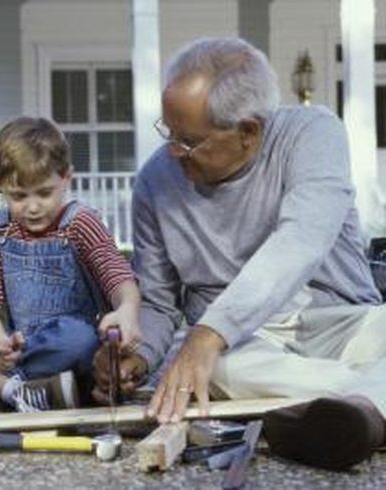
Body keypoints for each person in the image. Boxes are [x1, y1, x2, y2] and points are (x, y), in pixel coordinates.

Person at [94, 36, 386, 471]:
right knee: (214, 369)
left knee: (204, 357)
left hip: (341, 325)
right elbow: (157, 300)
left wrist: (209, 333)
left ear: (248, 131)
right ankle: (364, 406)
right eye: (168, 133)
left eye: (188, 141)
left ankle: (336, 406)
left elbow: (301, 240)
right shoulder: (155, 181)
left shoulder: (314, 133)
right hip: (247, 350)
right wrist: (138, 355)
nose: (173, 152)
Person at [0, 116, 142, 413]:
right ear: (2, 188)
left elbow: (119, 278)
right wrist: (0, 342)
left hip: (62, 349)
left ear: (66, 178)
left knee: (78, 337)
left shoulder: (81, 222)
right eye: (18, 196)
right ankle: (16, 390)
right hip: (14, 350)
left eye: (44, 193)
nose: (32, 207)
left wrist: (128, 310)